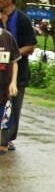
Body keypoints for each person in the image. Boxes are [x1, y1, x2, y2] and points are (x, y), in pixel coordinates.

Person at [0, 0, 37, 151]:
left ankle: (7, 139)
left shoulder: (22, 19)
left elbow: (31, 46)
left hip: (17, 72)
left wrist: (12, 54)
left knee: (13, 107)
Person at [0, 26, 21, 154]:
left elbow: (14, 62)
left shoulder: (7, 37)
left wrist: (13, 82)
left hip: (4, 88)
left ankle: (3, 143)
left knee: (4, 117)